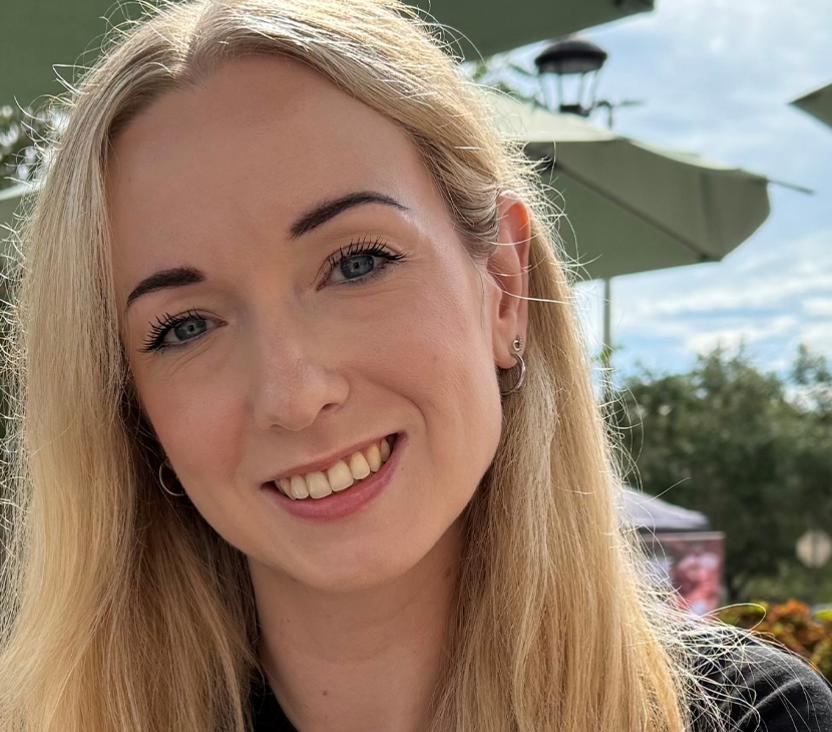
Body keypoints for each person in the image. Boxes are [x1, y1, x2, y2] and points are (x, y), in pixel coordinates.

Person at [0, 1, 830, 730]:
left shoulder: (749, 719)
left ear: (503, 284)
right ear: (129, 408)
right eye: (184, 327)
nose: (294, 393)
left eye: (357, 262)